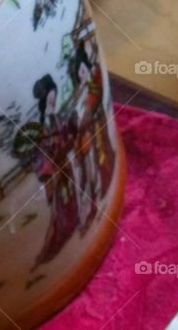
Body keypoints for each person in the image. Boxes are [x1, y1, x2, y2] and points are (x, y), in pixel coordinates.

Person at [30, 73, 79, 267]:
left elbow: (66, 139)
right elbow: (43, 154)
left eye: (53, 97)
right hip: (54, 168)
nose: (52, 101)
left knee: (70, 190)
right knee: (59, 201)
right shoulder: (45, 126)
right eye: (49, 99)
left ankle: (74, 220)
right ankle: (59, 235)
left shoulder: (56, 120)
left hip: (63, 165)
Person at [71, 42, 115, 227]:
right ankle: (92, 202)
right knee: (88, 167)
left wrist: (86, 117)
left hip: (97, 126)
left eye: (83, 69)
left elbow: (93, 102)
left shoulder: (93, 82)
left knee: (101, 155)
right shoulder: (82, 89)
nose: (83, 74)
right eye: (79, 72)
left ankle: (103, 187)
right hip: (87, 132)